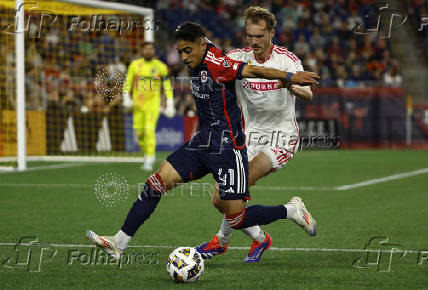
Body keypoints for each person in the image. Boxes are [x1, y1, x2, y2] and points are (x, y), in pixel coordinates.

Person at [86, 22, 319, 260]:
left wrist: (290, 76)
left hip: (229, 149)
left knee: (235, 217)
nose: (184, 57)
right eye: (180, 52)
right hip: (201, 143)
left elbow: (253, 70)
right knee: (155, 184)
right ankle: (119, 243)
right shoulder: (198, 57)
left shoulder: (218, 63)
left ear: (202, 44)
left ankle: (290, 211)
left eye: (188, 50)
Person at [196, 6, 316, 263]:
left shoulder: (287, 59)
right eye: (250, 35)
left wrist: (288, 83)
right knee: (220, 198)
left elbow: (308, 93)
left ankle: (220, 242)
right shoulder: (239, 57)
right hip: (250, 136)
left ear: (272, 33)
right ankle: (272, 228)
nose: (253, 41)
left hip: (282, 137)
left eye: (259, 36)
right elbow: (217, 69)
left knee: (238, 185)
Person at [122, 42, 175, 171]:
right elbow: (128, 81)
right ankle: (146, 154)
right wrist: (125, 96)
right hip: (137, 106)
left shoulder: (161, 66)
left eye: (151, 49)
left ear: (154, 52)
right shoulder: (135, 65)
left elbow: (167, 85)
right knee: (139, 133)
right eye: (146, 49)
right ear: (142, 51)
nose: (148, 51)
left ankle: (149, 158)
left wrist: (169, 103)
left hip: (153, 105)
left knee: (149, 130)